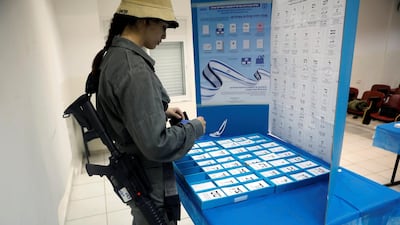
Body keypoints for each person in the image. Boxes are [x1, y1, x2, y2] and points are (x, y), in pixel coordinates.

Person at [89, 0, 206, 224]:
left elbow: (125, 114)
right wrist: (195, 127)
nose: (164, 35)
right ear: (144, 21)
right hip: (147, 177)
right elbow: (157, 144)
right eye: (162, 27)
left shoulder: (114, 57)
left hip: (135, 168)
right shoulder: (134, 69)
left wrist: (161, 111)